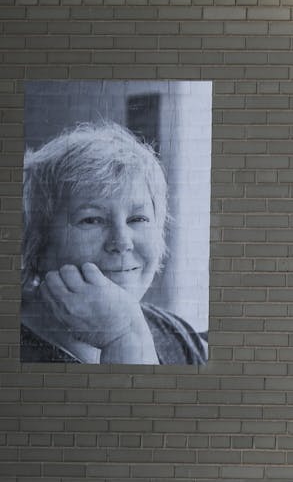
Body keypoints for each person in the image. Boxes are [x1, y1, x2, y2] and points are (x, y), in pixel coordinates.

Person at [21, 121, 207, 365]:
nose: (121, 242)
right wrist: (124, 338)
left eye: (138, 218)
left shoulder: (177, 335)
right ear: (38, 242)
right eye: (91, 220)